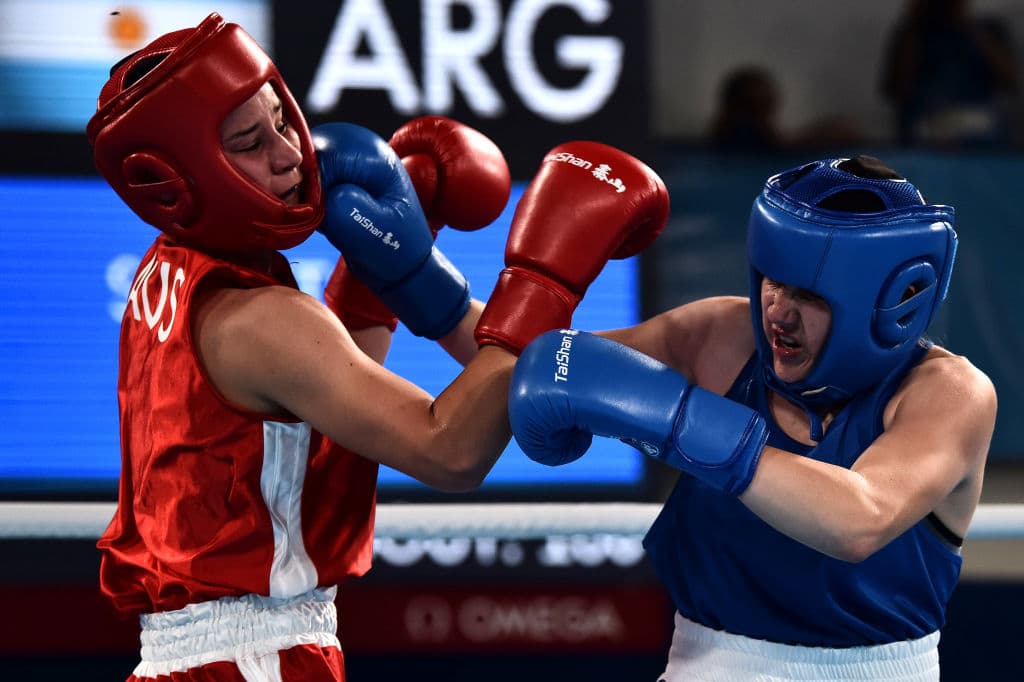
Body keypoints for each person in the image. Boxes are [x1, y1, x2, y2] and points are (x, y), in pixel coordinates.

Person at [86, 12, 669, 682]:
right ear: (181, 177)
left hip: (203, 658)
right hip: (254, 660)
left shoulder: (172, 274)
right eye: (250, 142)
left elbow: (326, 402)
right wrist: (542, 280)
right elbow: (449, 450)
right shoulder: (257, 318)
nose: (288, 154)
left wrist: (391, 275)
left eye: (281, 119)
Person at [508, 155, 997, 680]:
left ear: (886, 302)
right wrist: (432, 290)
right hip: (706, 665)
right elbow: (538, 368)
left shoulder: (947, 393)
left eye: (808, 295)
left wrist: (679, 421)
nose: (777, 312)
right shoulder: (722, 337)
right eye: (772, 280)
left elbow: (861, 518)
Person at [879, 0, 1018, 148]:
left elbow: (1010, 81)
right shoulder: (913, 35)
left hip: (979, 123)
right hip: (927, 123)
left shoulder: (988, 30)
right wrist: (914, 26)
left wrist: (971, 28)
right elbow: (898, 91)